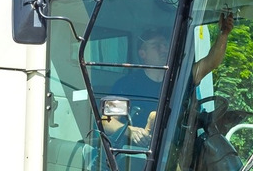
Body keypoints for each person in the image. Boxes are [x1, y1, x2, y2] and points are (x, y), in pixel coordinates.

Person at [101, 11, 236, 149]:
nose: (164, 49)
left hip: (176, 154)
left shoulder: (181, 78)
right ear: (143, 54)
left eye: (165, 45)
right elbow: (107, 122)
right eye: (156, 45)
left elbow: (210, 62)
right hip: (136, 157)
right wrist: (131, 131)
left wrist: (223, 34)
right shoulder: (126, 85)